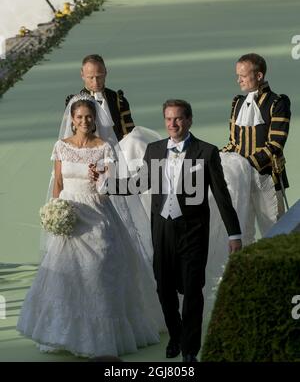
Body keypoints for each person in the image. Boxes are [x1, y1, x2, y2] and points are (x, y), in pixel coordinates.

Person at [90, 99, 242, 362]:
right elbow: (139, 183)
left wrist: (234, 233)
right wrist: (106, 184)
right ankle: (176, 335)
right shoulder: (155, 149)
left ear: (189, 120)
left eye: (178, 118)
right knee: (165, 289)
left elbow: (221, 195)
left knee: (193, 290)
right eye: (168, 119)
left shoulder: (206, 152)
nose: (173, 124)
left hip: (193, 231)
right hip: (162, 230)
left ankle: (191, 350)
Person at [16, 94, 163, 358]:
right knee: (65, 274)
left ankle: (103, 339)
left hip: (97, 215)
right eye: (79, 117)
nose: (84, 121)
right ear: (72, 120)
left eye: (89, 117)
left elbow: (109, 186)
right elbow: (59, 183)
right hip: (69, 216)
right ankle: (63, 333)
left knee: (99, 273)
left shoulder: (104, 147)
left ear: (95, 119)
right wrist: (55, 210)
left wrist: (100, 178)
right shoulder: (61, 146)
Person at [222, 53, 291, 241]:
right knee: (242, 232)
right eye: (238, 76)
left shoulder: (277, 103)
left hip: (267, 177)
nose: (239, 80)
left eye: (242, 76)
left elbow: (275, 145)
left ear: (258, 76)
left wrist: (245, 164)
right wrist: (218, 158)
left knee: (276, 231)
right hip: (241, 180)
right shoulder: (238, 103)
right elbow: (234, 143)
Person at [66, 54, 135, 141]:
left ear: (105, 72)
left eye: (99, 77)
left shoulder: (118, 100)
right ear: (82, 75)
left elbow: (128, 131)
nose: (95, 82)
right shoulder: (76, 103)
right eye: (90, 77)